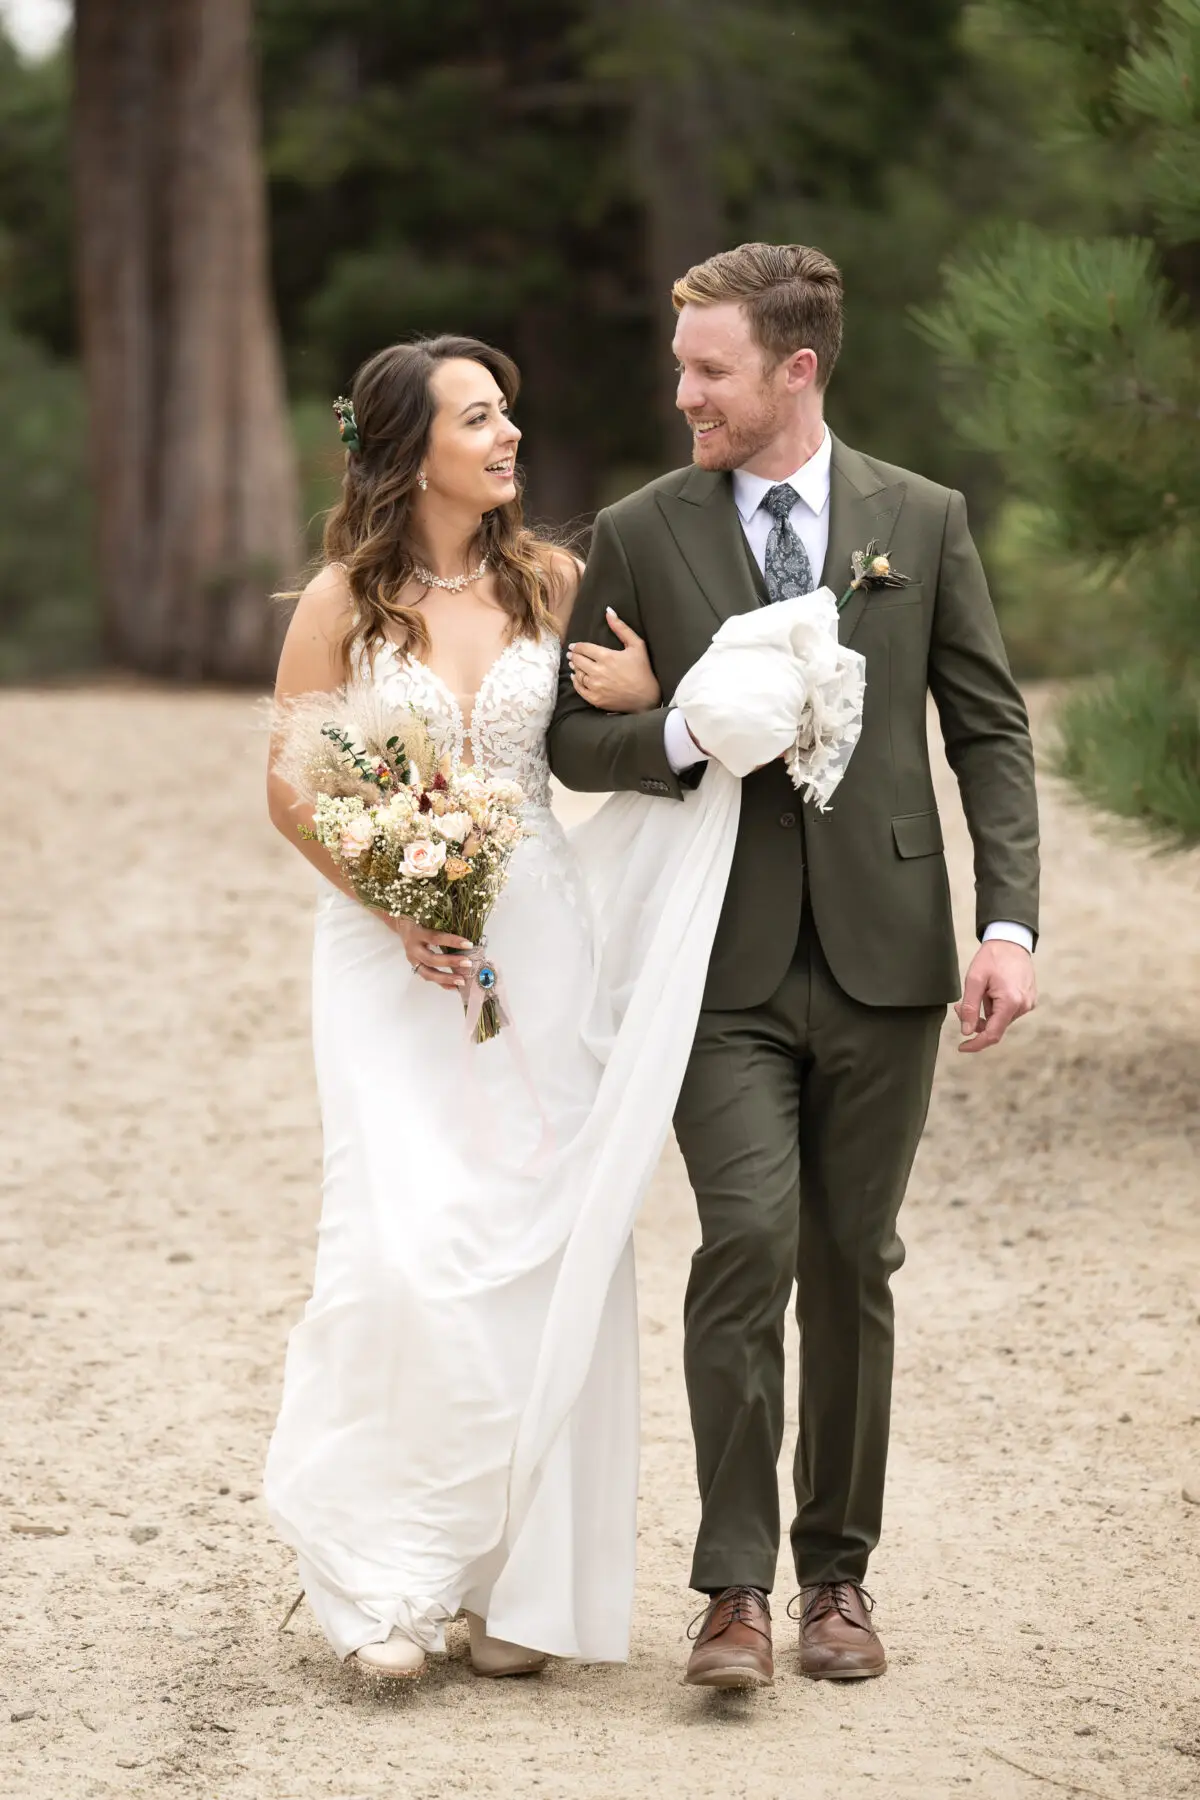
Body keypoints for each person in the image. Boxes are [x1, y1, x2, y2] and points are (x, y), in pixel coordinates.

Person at [548, 242, 1040, 1688]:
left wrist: (1008, 924)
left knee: (852, 1261)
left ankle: (838, 1582)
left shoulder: (923, 520)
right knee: (746, 1243)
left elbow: (988, 729)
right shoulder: (641, 530)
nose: (682, 390)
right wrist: (689, 732)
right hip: (721, 963)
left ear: (795, 369)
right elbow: (575, 740)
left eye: (710, 368)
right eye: (682, 364)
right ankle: (729, 1594)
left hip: (890, 954)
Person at [263, 336, 660, 1682]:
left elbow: (614, 734)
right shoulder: (341, 602)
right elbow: (291, 787)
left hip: (545, 944)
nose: (506, 439)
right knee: (399, 1245)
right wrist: (393, 902)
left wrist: (655, 698)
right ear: (408, 448)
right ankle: (389, 1581)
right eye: (477, 419)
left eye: (507, 416)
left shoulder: (554, 581)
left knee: (544, 1247)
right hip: (390, 967)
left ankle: (515, 1587)